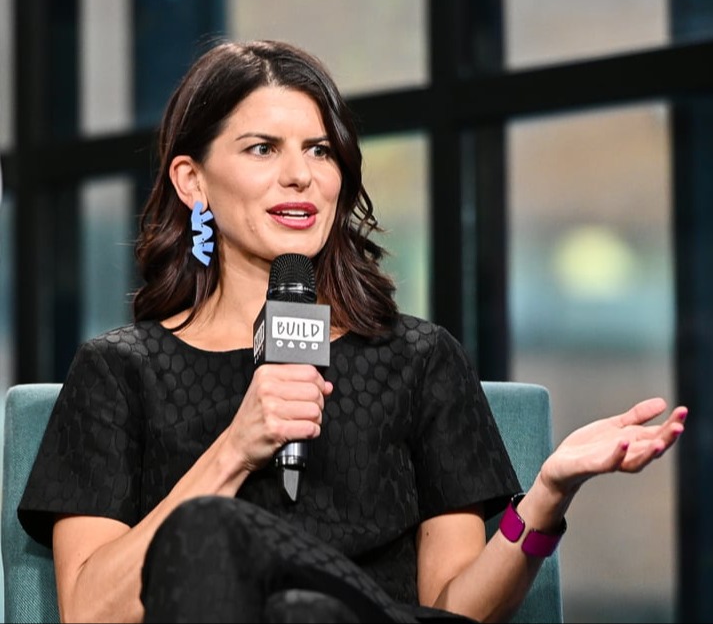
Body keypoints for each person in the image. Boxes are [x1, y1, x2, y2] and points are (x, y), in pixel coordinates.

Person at [18, 38, 687, 624]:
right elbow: (91, 610)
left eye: (319, 150)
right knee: (247, 566)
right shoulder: (118, 372)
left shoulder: (416, 358)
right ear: (192, 181)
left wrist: (547, 494)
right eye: (262, 148)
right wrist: (234, 449)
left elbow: (456, 609)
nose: (300, 175)